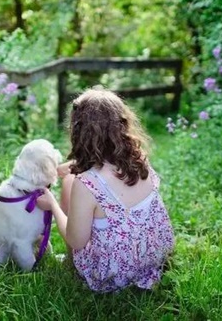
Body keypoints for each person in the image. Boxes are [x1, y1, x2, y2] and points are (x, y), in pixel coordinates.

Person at [36, 88, 175, 292]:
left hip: (114, 273)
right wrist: (75, 166)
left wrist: (53, 206)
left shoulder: (86, 183)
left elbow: (77, 241)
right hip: (153, 257)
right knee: (74, 180)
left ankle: (70, 262)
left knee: (68, 183)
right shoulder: (140, 159)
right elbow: (108, 173)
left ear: (79, 131)